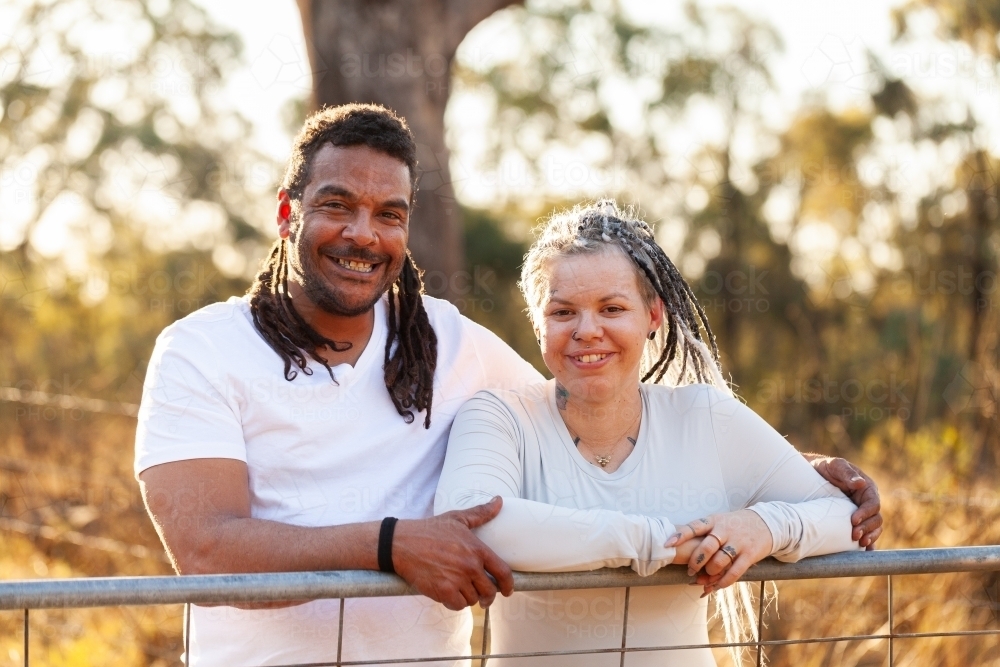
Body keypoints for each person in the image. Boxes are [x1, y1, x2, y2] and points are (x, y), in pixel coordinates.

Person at [135, 104, 882, 666]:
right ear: (286, 212)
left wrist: (786, 478)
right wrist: (391, 545)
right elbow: (208, 551)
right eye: (337, 205)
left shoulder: (449, 341)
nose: (364, 233)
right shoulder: (201, 350)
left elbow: (588, 410)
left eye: (388, 214)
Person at [435, 200, 871, 666]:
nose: (587, 330)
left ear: (653, 316)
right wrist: (665, 544)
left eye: (612, 308)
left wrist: (762, 527)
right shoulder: (500, 417)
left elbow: (845, 519)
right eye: (563, 313)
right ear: (539, 323)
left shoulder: (702, 416)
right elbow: (472, 525)